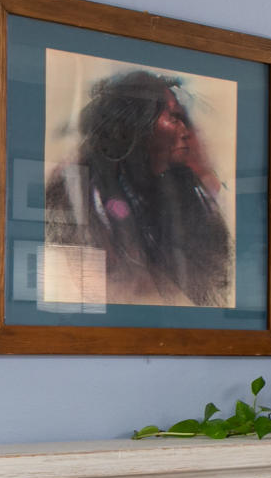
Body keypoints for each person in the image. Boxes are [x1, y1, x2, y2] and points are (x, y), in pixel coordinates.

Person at [42, 68, 233, 307]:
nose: (185, 132)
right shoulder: (78, 192)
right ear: (139, 124)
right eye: (173, 118)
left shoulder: (187, 191)